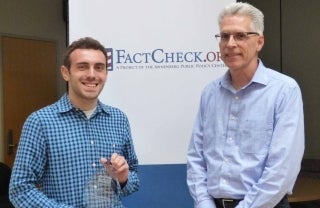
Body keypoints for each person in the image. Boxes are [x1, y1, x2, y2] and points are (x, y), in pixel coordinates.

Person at [187, 2, 304, 208]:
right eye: (224, 36)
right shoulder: (210, 93)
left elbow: (281, 170)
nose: (230, 43)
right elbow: (196, 158)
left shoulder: (284, 91)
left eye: (240, 36)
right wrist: (204, 204)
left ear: (259, 42)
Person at [9, 37, 139, 207]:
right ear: (65, 73)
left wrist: (123, 179)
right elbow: (20, 190)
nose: (92, 74)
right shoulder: (40, 122)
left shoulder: (118, 119)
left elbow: (134, 179)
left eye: (99, 67)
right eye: (82, 66)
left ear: (105, 74)